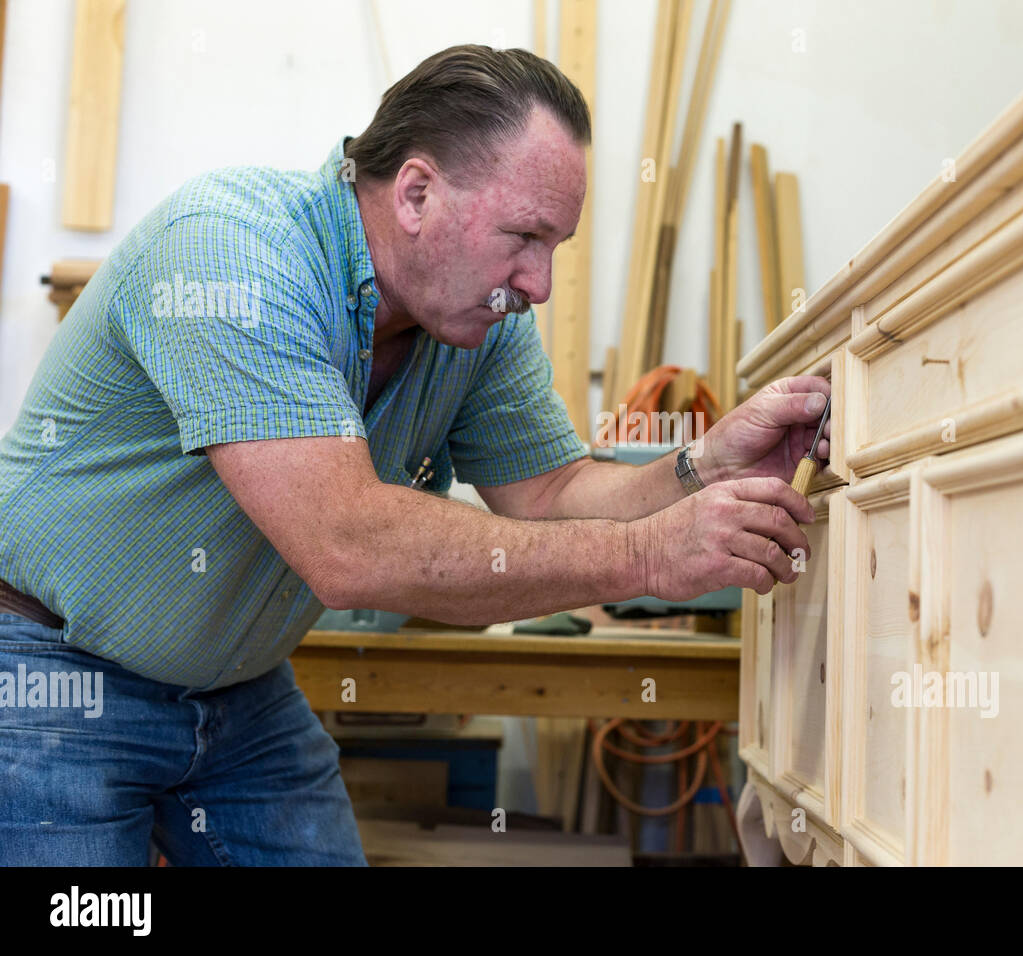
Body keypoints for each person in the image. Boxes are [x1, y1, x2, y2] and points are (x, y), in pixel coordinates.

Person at [0, 44, 829, 865]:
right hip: (53, 674)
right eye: (524, 235)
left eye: (556, 246)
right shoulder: (233, 254)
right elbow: (346, 543)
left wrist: (705, 467)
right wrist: (650, 554)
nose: (538, 284)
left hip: (236, 689)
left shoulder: (478, 323)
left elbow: (551, 492)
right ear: (416, 193)